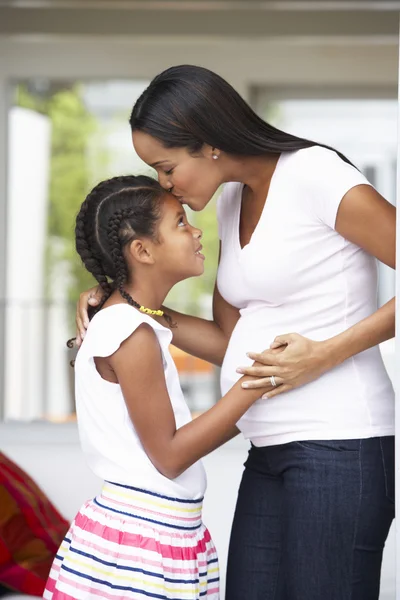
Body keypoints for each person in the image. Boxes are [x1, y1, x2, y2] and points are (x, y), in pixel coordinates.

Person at [76, 66, 396, 600]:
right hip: (267, 445)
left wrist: (326, 353)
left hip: (340, 443)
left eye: (166, 166)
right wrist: (130, 309)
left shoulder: (316, 175)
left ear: (208, 144)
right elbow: (231, 339)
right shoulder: (230, 200)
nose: (165, 184)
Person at [44, 174, 270, 600]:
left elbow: (227, 343)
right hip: (140, 551)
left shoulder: (136, 320)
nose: (196, 230)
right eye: (181, 222)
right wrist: (260, 382)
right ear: (142, 251)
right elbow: (169, 455)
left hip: (159, 535)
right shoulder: (131, 333)